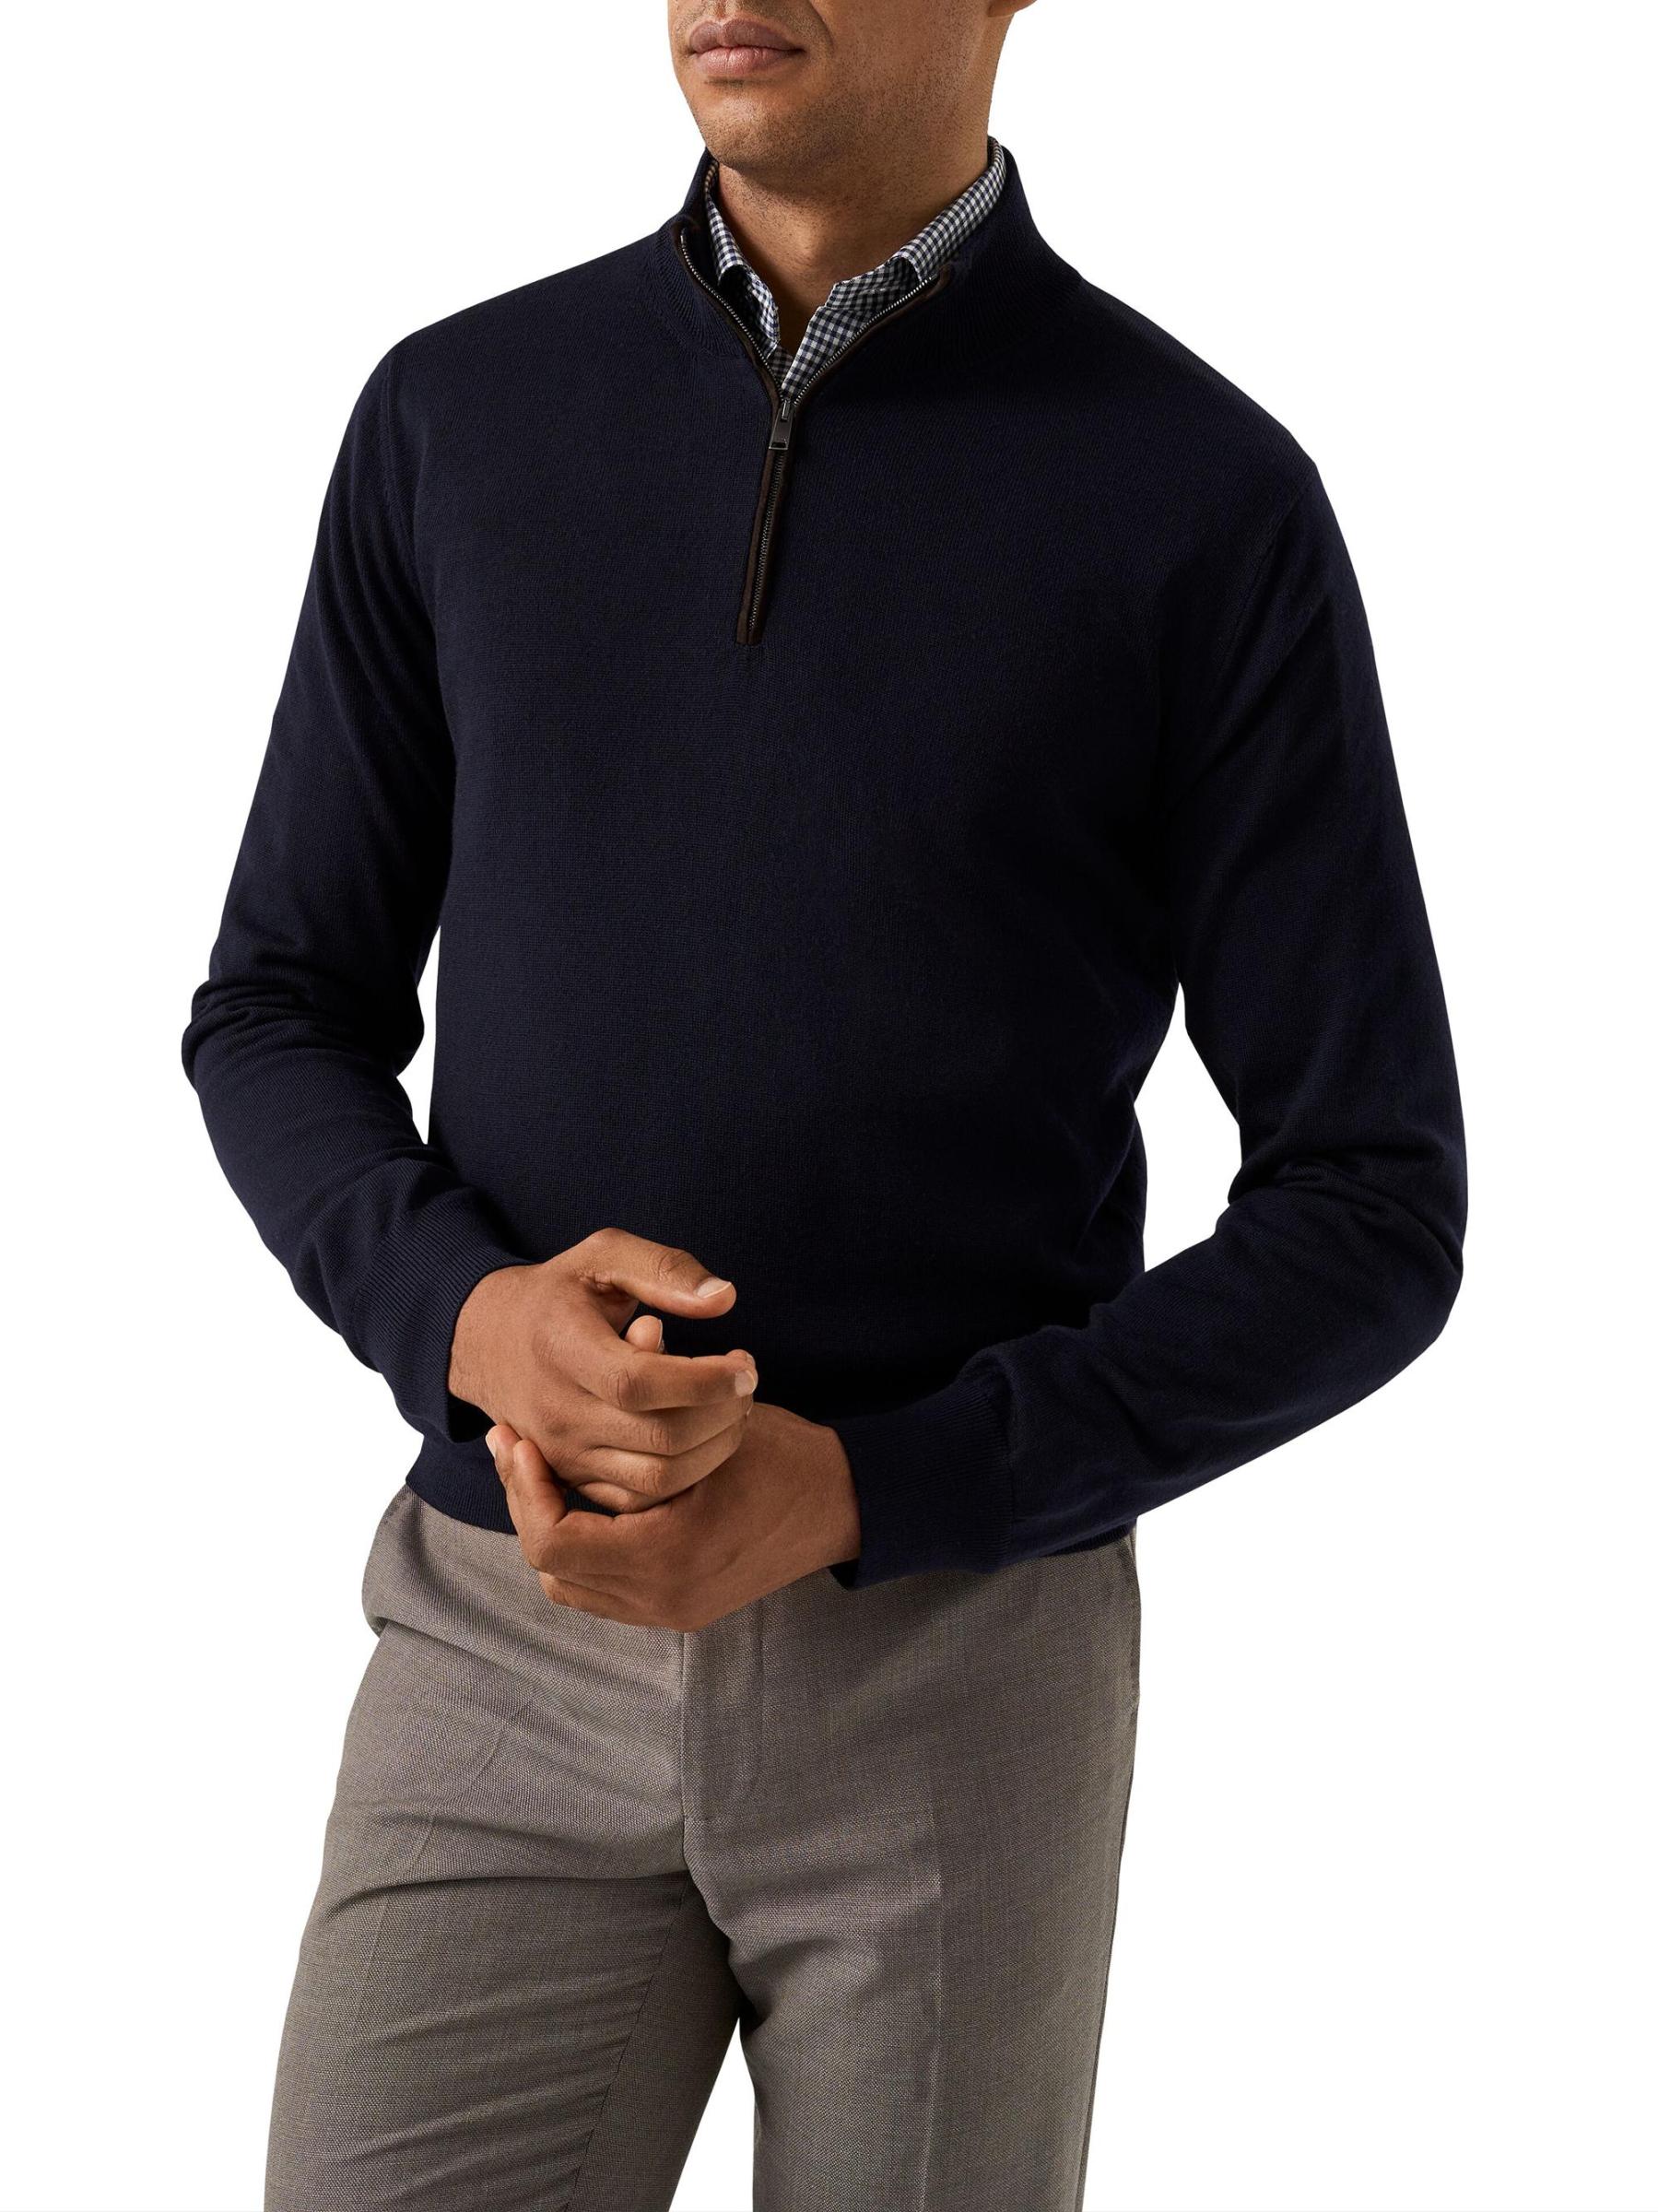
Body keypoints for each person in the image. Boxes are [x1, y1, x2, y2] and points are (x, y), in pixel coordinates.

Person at [182, 2, 1466, 2204]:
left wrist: (872, 1483)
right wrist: (472, 1321)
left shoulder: (1200, 494)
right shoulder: (455, 418)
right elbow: (275, 1010)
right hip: (495, 1635)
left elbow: (1374, 1204)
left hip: (958, 1674)